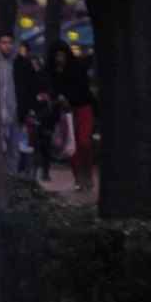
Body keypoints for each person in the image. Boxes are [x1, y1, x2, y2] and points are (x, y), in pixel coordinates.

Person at [49, 40, 96, 191]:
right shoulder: (53, 72)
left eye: (62, 55)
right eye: (57, 56)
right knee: (72, 146)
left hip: (83, 108)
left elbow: (84, 89)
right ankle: (79, 178)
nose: (59, 59)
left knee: (84, 142)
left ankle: (87, 175)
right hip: (67, 112)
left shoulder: (77, 68)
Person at [14, 42, 42, 177]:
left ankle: (25, 170)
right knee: (25, 142)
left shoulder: (23, 67)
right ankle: (25, 171)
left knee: (26, 142)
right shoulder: (23, 67)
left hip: (26, 111)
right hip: (24, 111)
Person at [0, 34, 19, 174]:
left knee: (13, 149)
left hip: (13, 112)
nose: (7, 46)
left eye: (10, 42)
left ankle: (11, 177)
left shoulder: (15, 63)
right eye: (4, 42)